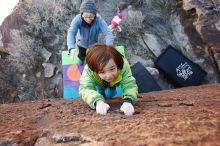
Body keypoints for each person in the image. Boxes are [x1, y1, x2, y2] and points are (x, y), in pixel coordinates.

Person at [79, 43, 138, 116]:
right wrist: (98, 101)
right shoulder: (88, 71)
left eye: (112, 69)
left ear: (117, 63)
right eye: (102, 72)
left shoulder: (123, 65)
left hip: (114, 82)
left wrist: (128, 101)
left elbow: (129, 84)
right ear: (94, 70)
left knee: (110, 94)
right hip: (99, 82)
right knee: (101, 95)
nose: (109, 76)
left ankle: (111, 89)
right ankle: (102, 93)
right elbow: (85, 88)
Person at [67, 0, 113, 65]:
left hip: (93, 44)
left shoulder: (99, 20)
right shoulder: (78, 19)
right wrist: (71, 47)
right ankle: (81, 60)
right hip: (81, 43)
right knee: (81, 54)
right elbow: (71, 32)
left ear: (95, 15)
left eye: (91, 16)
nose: (88, 19)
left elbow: (108, 33)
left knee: (93, 55)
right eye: (85, 16)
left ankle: (91, 63)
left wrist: (109, 48)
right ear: (82, 14)